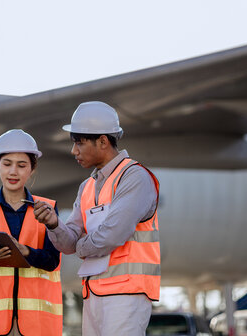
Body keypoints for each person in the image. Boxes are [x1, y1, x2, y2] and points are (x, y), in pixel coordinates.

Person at [34, 101, 161, 335]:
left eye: (79, 142)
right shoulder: (87, 187)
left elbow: (110, 236)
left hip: (126, 294)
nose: (74, 151)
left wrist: (81, 246)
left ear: (103, 141)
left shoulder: (135, 177)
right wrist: (53, 224)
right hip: (94, 293)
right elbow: (69, 243)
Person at [0, 129, 62, 336]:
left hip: (38, 324)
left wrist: (25, 251)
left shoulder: (47, 209)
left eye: (22, 165)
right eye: (7, 164)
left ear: (32, 169)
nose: (13, 172)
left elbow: (53, 261)